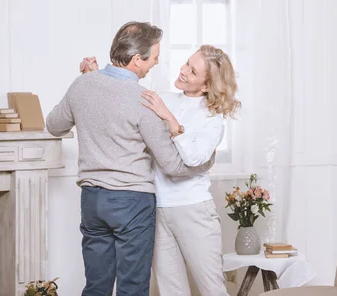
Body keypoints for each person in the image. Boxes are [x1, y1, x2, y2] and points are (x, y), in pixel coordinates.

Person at [46, 22, 212, 296]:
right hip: (131, 202)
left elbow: (54, 125)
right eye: (154, 58)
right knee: (132, 287)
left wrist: (89, 81)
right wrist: (206, 161)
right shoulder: (144, 100)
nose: (155, 64)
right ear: (137, 60)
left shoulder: (83, 84)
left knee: (97, 285)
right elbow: (171, 164)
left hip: (92, 200)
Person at [81, 45, 239, 296]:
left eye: (193, 70)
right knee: (171, 290)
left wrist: (170, 120)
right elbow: (121, 103)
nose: (183, 70)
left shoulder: (212, 118)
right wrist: (94, 77)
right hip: (155, 207)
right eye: (187, 63)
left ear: (207, 85)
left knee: (212, 289)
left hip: (193, 209)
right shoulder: (162, 98)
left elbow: (196, 158)